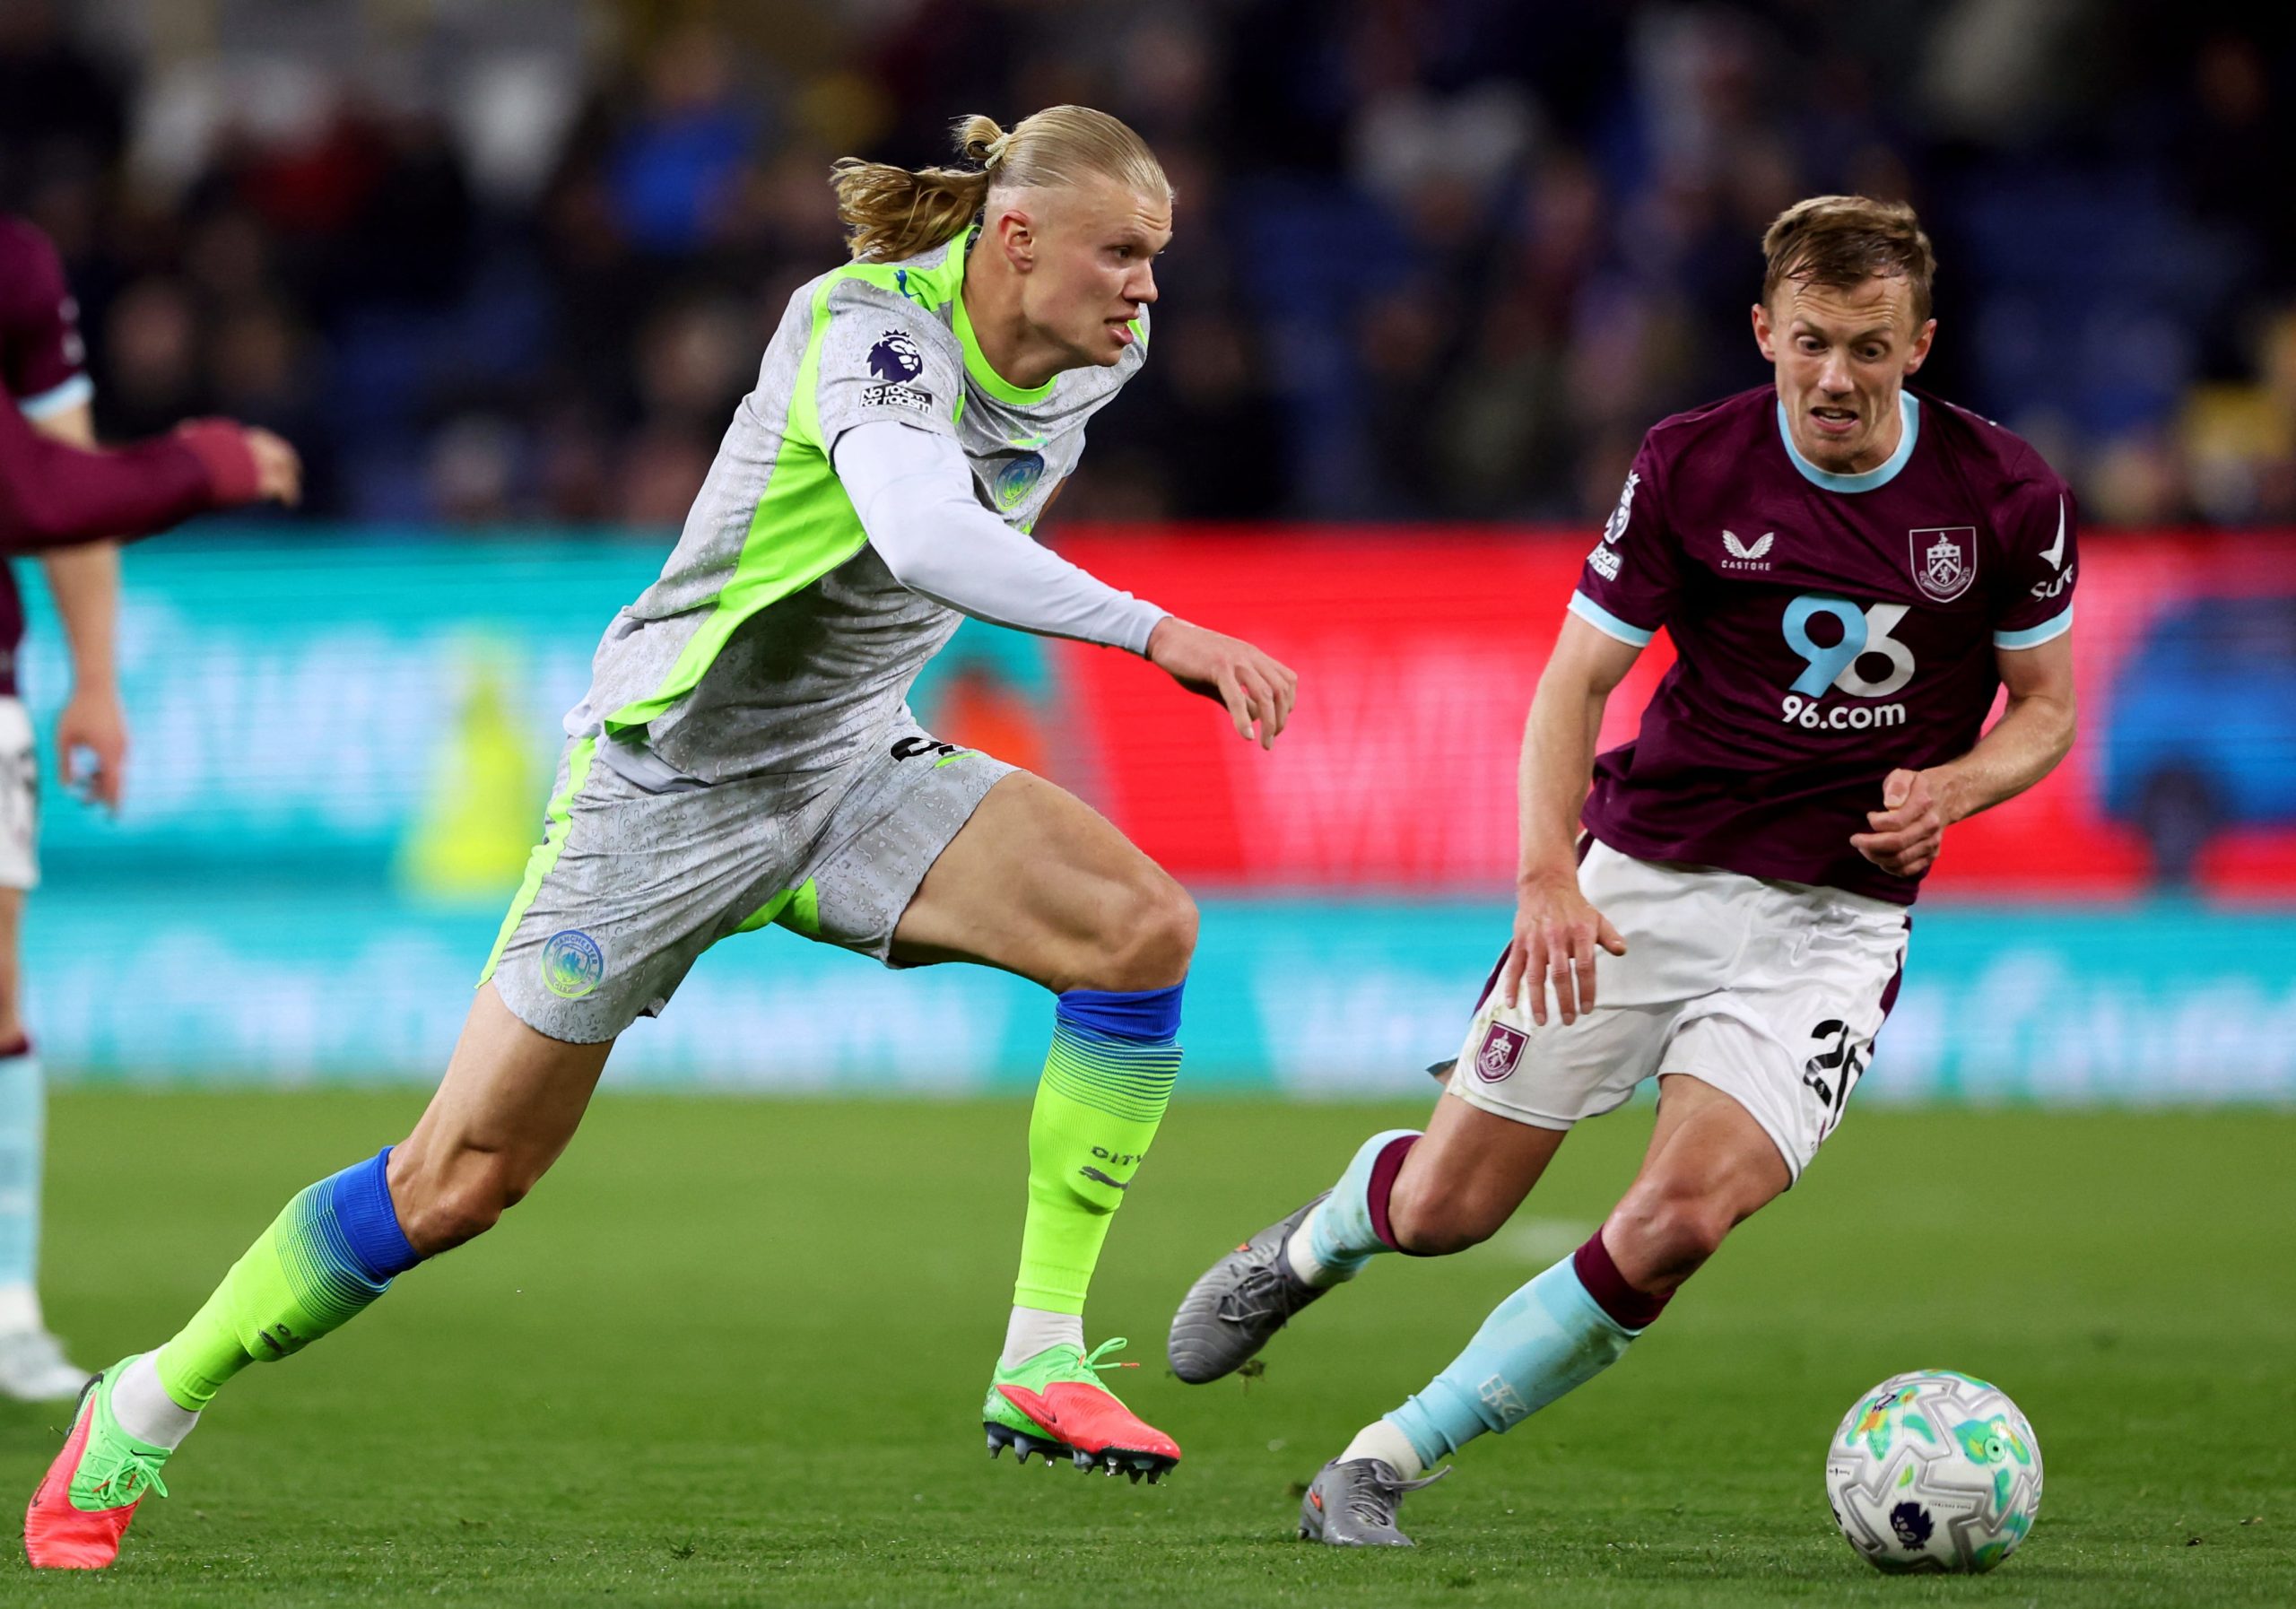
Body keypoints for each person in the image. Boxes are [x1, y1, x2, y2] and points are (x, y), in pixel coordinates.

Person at [26, 106, 1295, 1570]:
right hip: (667, 781)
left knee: (1141, 929)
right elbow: (923, 535)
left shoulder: (1102, 355)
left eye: (1156, 256)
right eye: (1121, 253)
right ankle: (142, 1402)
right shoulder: (868, 329)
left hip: (848, 764)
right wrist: (1155, 630)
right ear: (1016, 239)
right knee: (458, 1181)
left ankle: (1042, 1351)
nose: (1147, 289)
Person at [1167, 196, 2079, 1547]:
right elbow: (1576, 681)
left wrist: (1955, 787)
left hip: (1834, 924)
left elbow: (2047, 708)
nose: (1837, 377)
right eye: (1813, 342)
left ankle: (1381, 1462)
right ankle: (1319, 1239)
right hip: (1643, 878)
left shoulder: (2006, 496)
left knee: (1677, 1224)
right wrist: (1548, 874)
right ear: (1763, 330)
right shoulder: (1692, 463)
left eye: (1871, 348)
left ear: (1921, 345)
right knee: (1447, 1209)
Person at [0, 214, 300, 1403]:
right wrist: (200, 463)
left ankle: (6, 1308)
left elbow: (51, 470)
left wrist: (96, 676)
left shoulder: (18, 266)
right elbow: (35, 490)